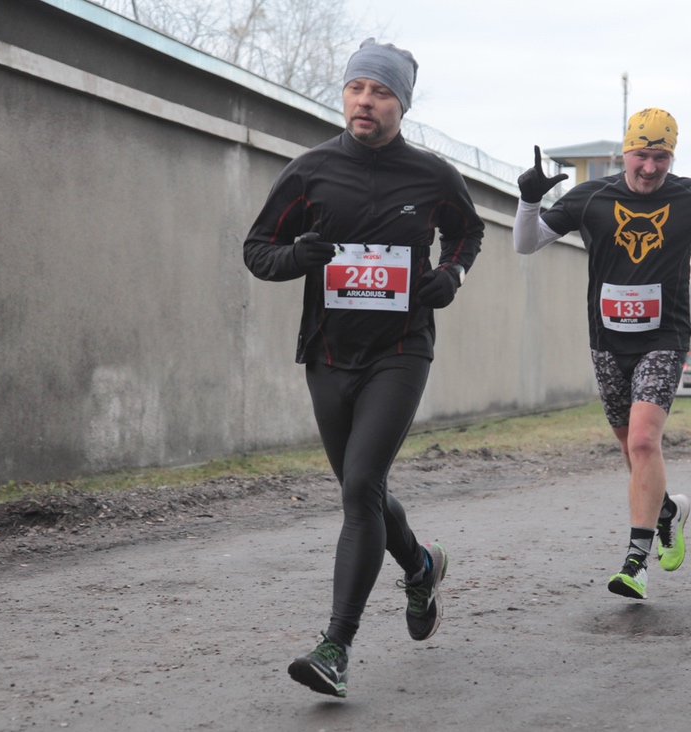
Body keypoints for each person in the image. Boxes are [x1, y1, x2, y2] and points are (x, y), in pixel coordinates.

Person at [243, 38, 484, 697]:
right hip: (328, 354)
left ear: (401, 104)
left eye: (380, 92)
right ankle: (421, 564)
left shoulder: (432, 176)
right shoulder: (310, 172)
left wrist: (452, 273)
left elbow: (468, 232)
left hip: (400, 350)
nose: (365, 101)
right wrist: (298, 257)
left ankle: (336, 648)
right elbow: (257, 250)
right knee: (362, 491)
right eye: (356, 88)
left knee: (360, 488)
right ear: (345, 95)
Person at [513, 108, 691, 600]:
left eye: (661, 157)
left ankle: (636, 563)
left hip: (664, 338)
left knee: (643, 442)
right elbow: (526, 244)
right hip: (607, 342)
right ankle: (669, 511)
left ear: (672, 157)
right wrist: (528, 201)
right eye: (641, 155)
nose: (650, 167)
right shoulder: (592, 197)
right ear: (625, 152)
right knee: (632, 451)